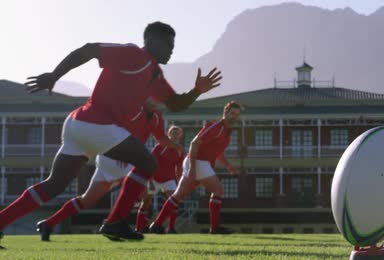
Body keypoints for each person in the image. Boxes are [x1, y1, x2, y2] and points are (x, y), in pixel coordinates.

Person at [0, 21, 221, 247]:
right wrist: (54, 75)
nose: (171, 49)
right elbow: (89, 49)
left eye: (173, 45)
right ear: (151, 41)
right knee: (147, 162)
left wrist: (196, 91)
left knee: (53, 185)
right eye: (167, 44)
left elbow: (175, 104)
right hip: (95, 124)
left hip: (79, 125)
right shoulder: (134, 54)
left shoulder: (154, 74)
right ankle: (115, 222)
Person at [36, 106, 182, 241]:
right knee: (142, 193)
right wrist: (124, 152)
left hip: (109, 158)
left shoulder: (149, 112)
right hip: (119, 157)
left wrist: (182, 149)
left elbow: (159, 138)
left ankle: (48, 223)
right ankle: (114, 225)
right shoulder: (136, 108)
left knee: (87, 199)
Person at [149, 101, 243, 235]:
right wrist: (193, 168)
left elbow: (218, 153)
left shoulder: (227, 132)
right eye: (232, 113)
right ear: (225, 113)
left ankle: (156, 225)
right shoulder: (216, 126)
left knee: (178, 196)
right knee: (218, 190)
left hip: (197, 163)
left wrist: (228, 166)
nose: (235, 117)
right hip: (198, 162)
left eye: (237, 115)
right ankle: (215, 228)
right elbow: (194, 143)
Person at [135, 126, 185, 234]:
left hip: (169, 180)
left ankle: (171, 228)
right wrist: (150, 179)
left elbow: (179, 168)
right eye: (173, 133)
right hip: (155, 178)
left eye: (178, 134)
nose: (175, 135)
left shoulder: (180, 151)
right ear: (169, 134)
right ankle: (139, 228)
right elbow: (151, 162)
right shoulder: (160, 146)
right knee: (146, 202)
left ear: (180, 136)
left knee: (174, 201)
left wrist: (180, 182)